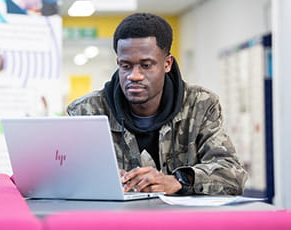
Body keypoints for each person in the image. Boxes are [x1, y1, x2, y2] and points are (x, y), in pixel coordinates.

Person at [67, 13, 247, 195]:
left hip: (181, 222)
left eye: (146, 65)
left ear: (167, 63)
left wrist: (179, 181)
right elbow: (63, 174)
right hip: (115, 221)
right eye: (126, 66)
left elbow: (233, 174)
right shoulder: (87, 111)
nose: (134, 76)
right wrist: (100, 179)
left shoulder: (199, 105)